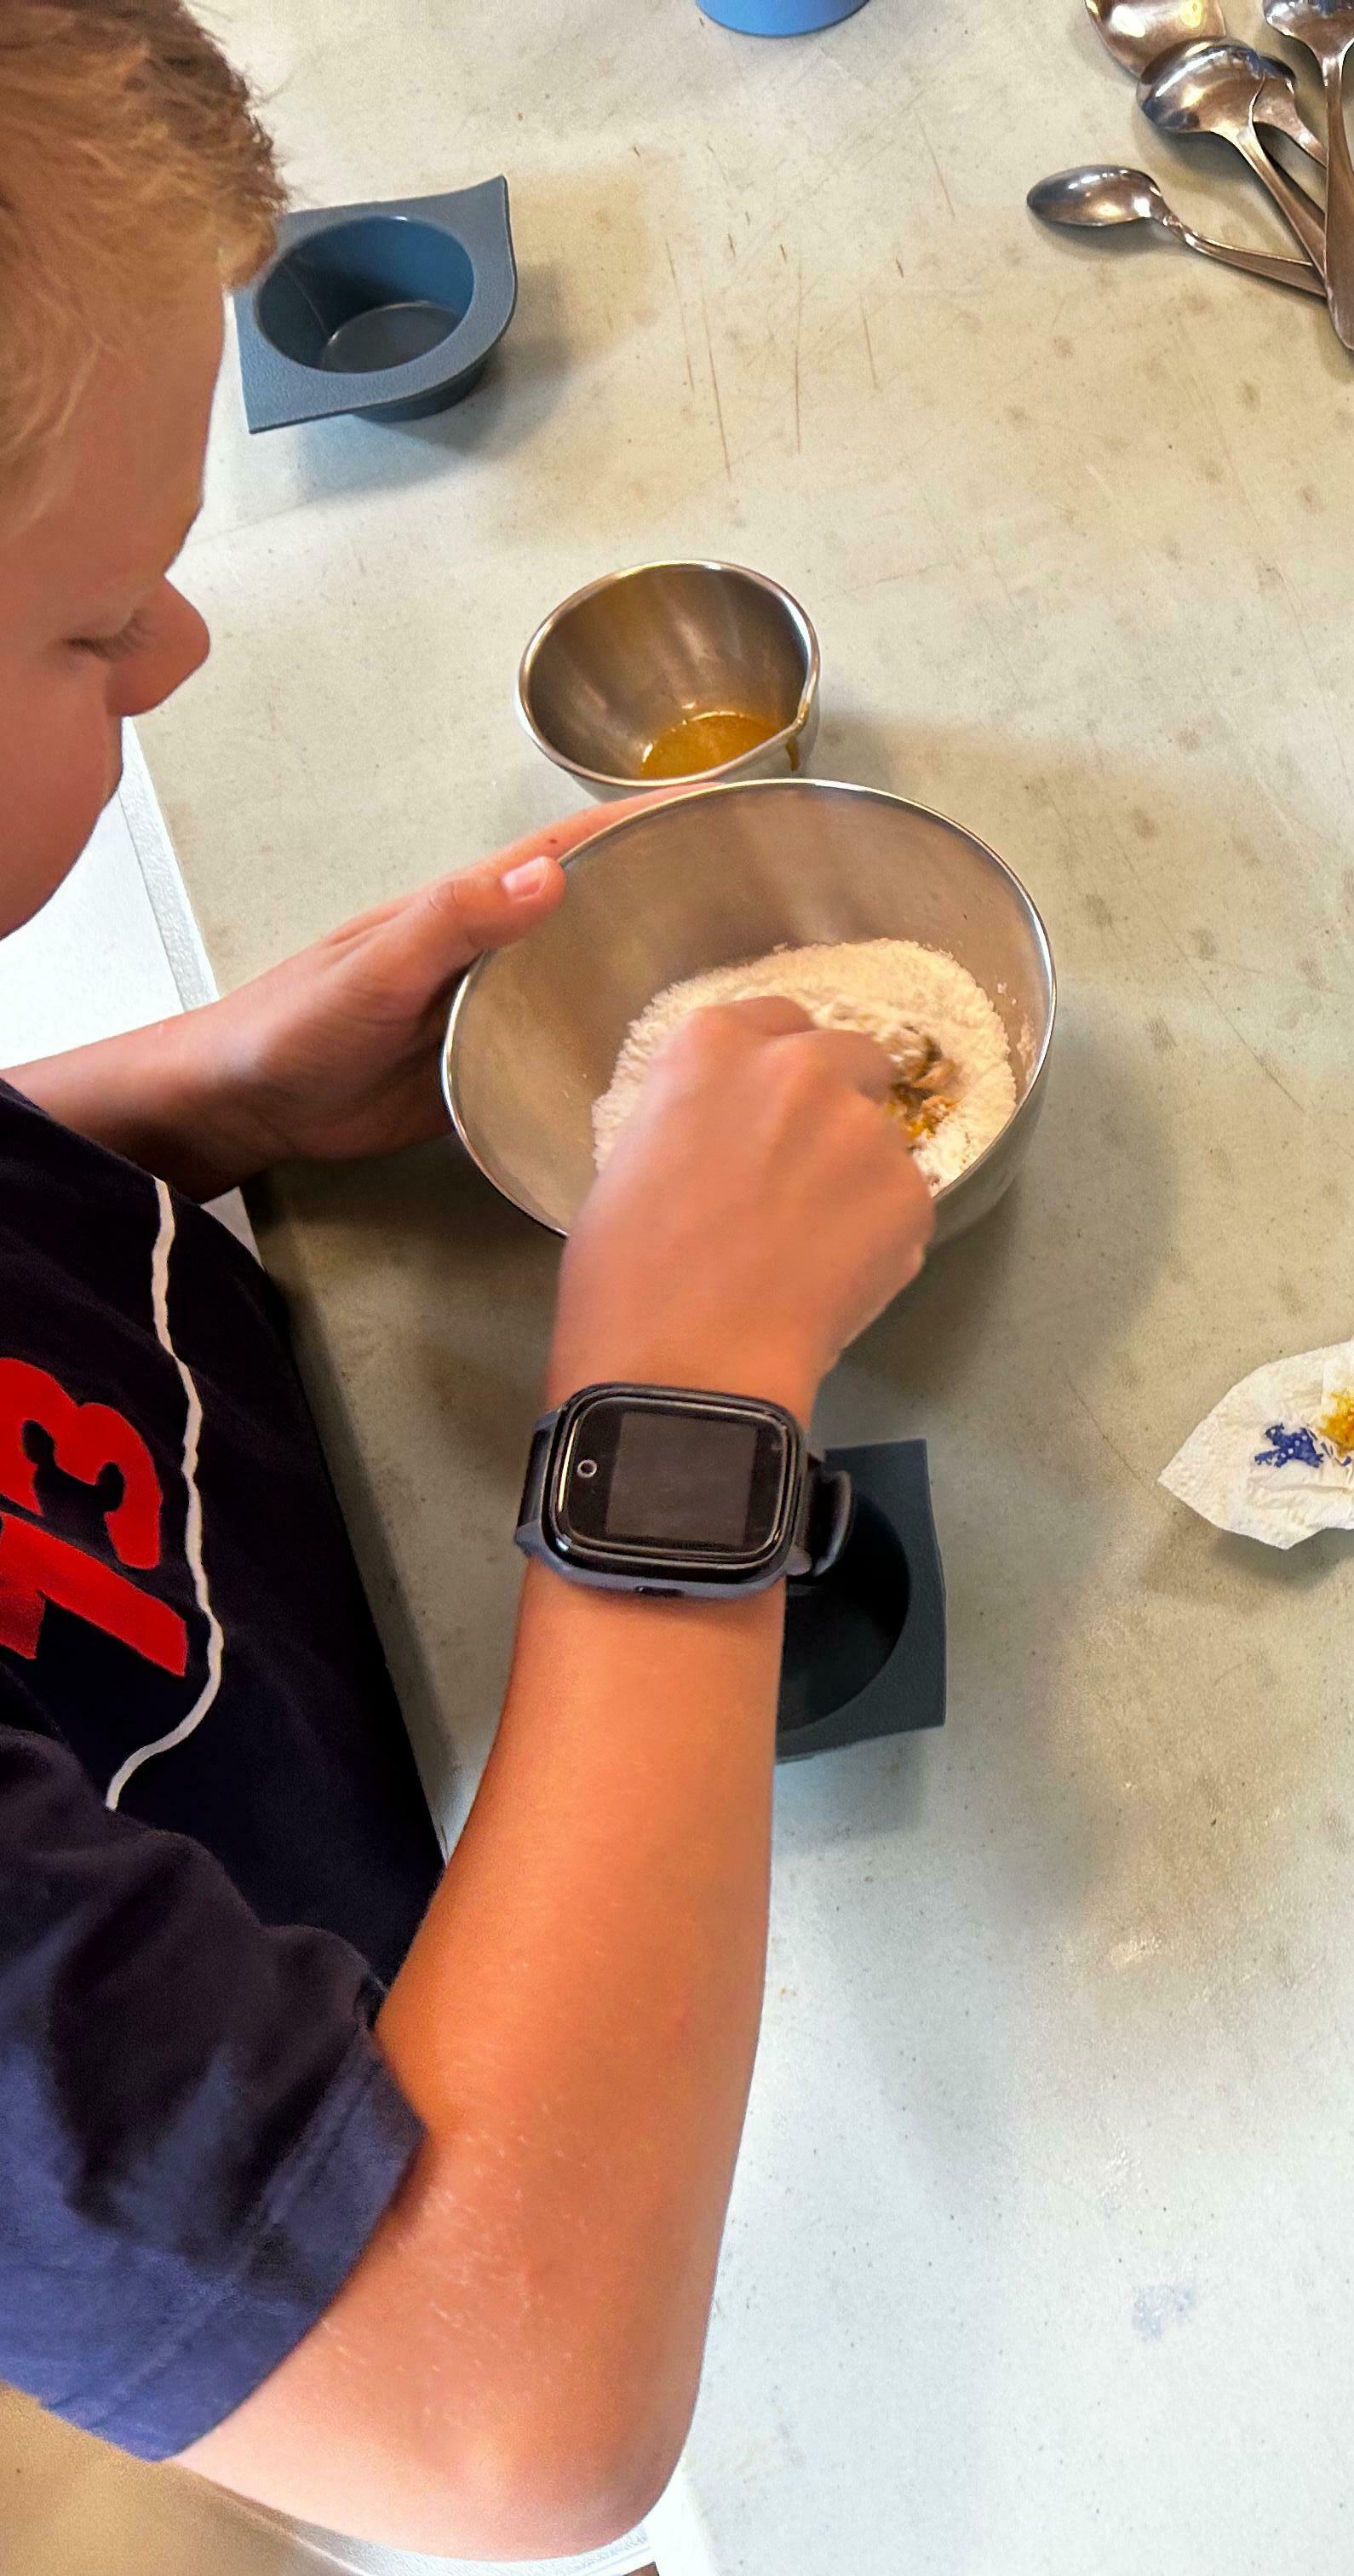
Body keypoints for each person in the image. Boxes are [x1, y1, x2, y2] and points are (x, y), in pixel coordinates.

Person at [0, 2, 934, 2552]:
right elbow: (506, 2415)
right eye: (93, 633)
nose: (180, 661)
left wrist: (184, 1101)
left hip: (325, 1791)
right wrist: (679, 1406)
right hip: (235, 2350)